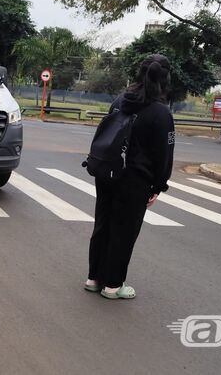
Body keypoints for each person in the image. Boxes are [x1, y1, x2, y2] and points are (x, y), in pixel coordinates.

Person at [84, 54, 175, 300]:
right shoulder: (161, 113)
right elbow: (164, 154)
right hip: (135, 180)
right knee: (124, 231)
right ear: (165, 78)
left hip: (107, 172)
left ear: (139, 73)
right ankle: (113, 285)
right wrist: (158, 186)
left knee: (103, 224)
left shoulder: (120, 100)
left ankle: (94, 278)